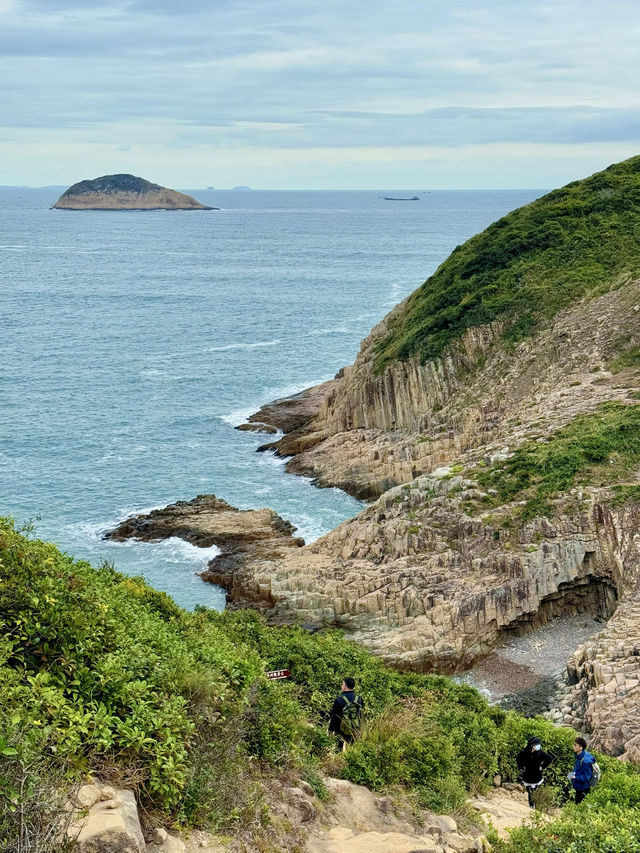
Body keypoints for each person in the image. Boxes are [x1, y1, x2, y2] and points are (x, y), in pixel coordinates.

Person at [516, 736, 554, 808]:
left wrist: (542, 766)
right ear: (532, 746)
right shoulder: (524, 753)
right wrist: (521, 768)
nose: (538, 746)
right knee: (530, 792)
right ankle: (531, 806)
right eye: (537, 744)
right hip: (527, 775)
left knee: (536, 791)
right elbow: (518, 760)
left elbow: (549, 758)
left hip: (537, 776)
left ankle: (537, 806)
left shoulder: (539, 753)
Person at [328, 677, 364, 749]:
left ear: (345, 686)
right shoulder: (359, 699)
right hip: (354, 727)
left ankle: (338, 760)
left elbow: (334, 716)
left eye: (342, 684)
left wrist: (331, 729)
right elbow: (360, 714)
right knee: (353, 749)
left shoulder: (339, 699)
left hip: (340, 728)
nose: (341, 685)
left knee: (338, 748)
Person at [569, 736, 595, 803]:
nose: (573, 746)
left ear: (581, 747)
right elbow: (579, 768)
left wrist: (575, 777)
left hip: (583, 788)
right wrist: (571, 775)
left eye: (575, 745)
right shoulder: (579, 755)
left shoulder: (585, 761)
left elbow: (587, 777)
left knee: (580, 806)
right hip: (579, 786)